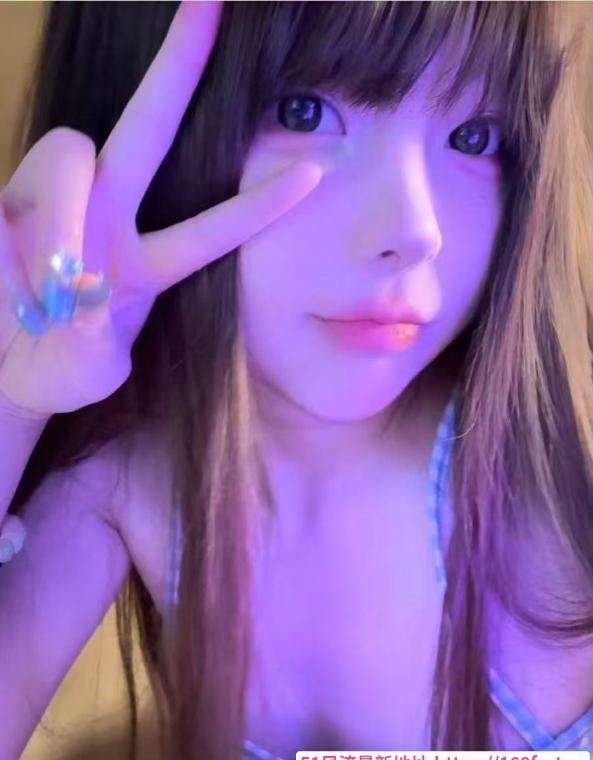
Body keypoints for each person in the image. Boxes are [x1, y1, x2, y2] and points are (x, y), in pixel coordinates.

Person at [0, 1, 592, 759]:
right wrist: (13, 401)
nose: (416, 231)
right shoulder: (125, 482)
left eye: (475, 136)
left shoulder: (561, 466)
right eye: (304, 112)